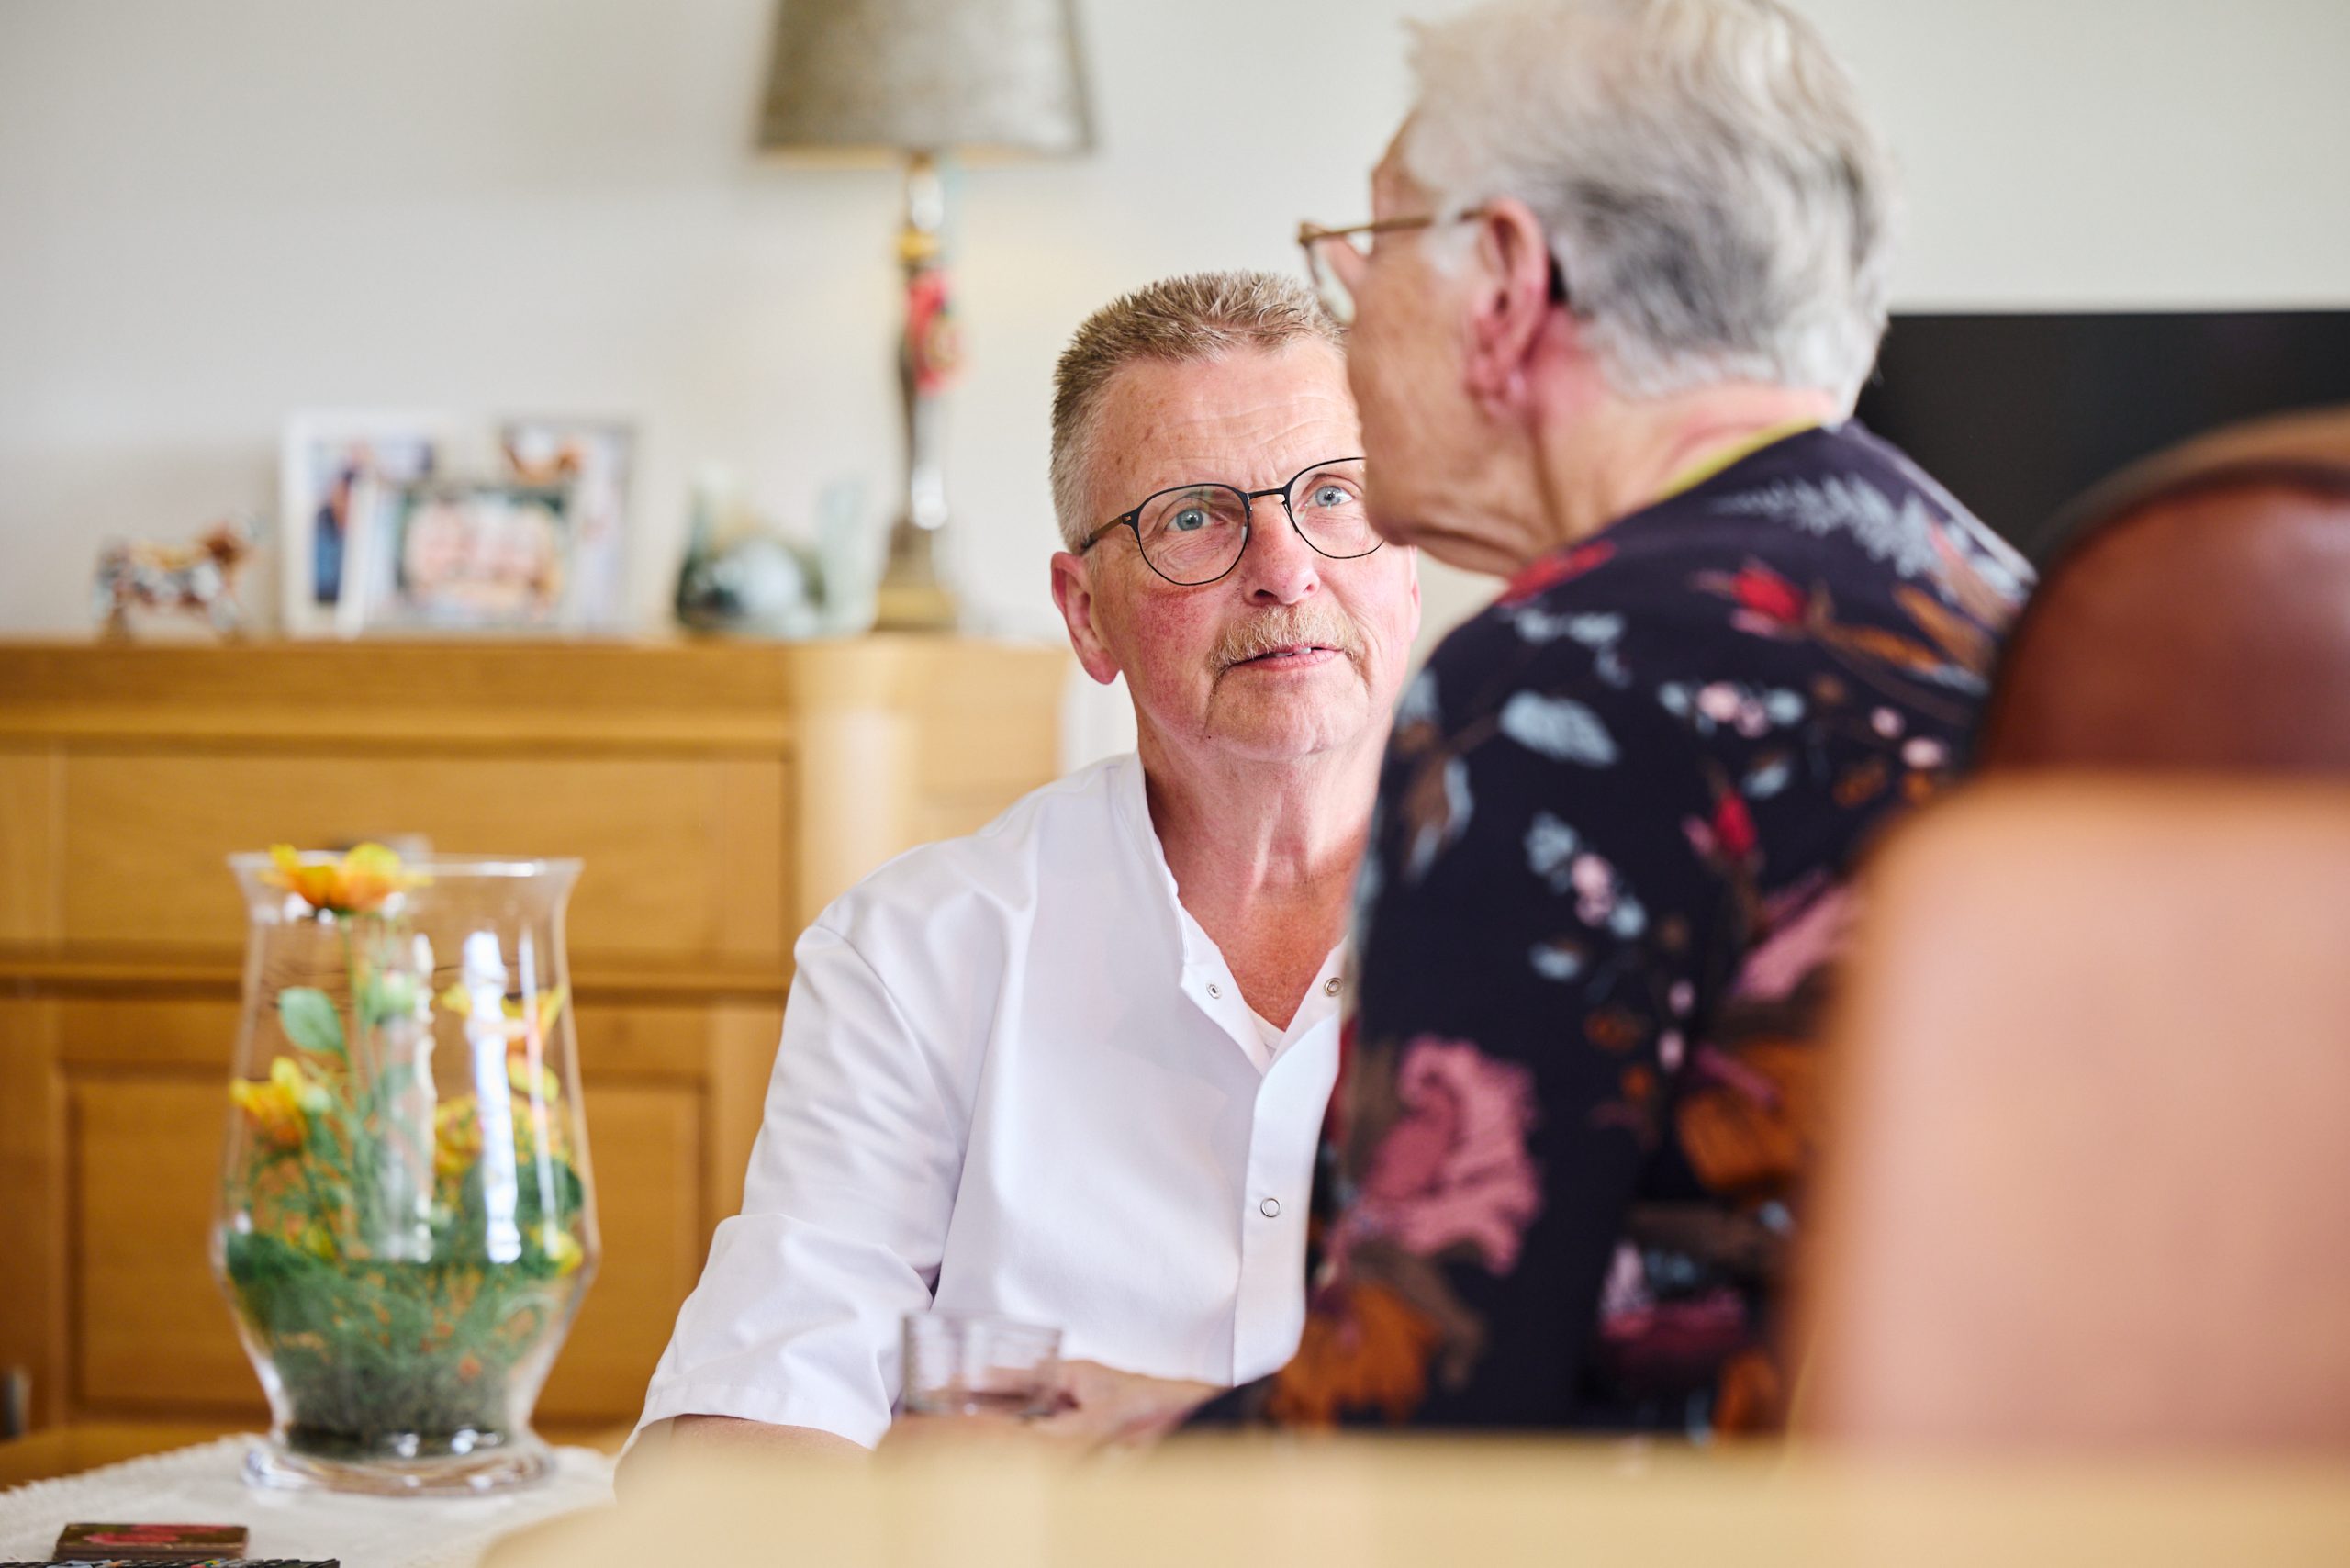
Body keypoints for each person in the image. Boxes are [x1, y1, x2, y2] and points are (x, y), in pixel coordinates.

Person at [1090, 0, 2035, 1440]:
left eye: (1377, 245)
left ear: (1508, 288)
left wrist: (1093, 1477)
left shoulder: (1558, 691)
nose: (1349, 303)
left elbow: (1425, 1423)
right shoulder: (1989, 592)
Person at [625, 272, 1421, 1461]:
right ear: (1084, 613)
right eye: (1195, 516)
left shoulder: (1573, 929)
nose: (1284, 567)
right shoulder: (916, 954)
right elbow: (744, 1444)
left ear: (1410, 556)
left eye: (1333, 496)